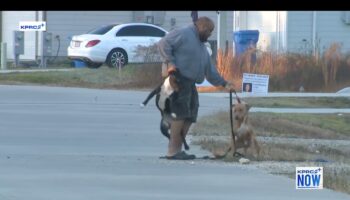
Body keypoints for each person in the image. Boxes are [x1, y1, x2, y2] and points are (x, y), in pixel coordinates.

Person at [157, 16, 236, 160]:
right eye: (209, 31)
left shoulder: (201, 45)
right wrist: (170, 63)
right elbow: (163, 43)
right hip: (179, 80)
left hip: (191, 84)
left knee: (190, 115)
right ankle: (172, 151)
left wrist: (224, 83)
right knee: (180, 114)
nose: (210, 34)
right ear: (202, 27)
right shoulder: (184, 33)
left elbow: (210, 71)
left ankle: (178, 149)